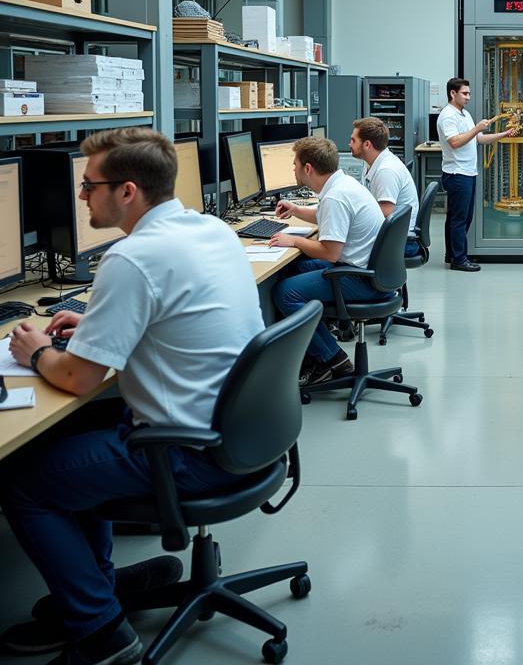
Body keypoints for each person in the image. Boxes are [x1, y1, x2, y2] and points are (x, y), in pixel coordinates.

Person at [0, 127, 264, 665]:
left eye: (88, 184)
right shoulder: (209, 228)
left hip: (189, 452)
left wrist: (34, 352)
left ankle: (101, 632)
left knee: (22, 483)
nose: (80, 196)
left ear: (126, 192)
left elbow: (77, 379)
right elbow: (166, 308)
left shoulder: (132, 258)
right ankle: (97, 585)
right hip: (242, 432)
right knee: (72, 431)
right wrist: (99, 319)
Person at [271, 136, 391, 385]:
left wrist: (293, 241)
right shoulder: (342, 184)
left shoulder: (335, 196)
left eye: (294, 163)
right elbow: (325, 215)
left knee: (284, 292)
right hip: (372, 271)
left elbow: (330, 253)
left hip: (361, 279)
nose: (292, 168)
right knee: (293, 269)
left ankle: (332, 359)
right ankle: (310, 354)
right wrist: (295, 210)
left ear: (307, 168)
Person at [436, 77, 516, 272]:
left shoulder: (464, 114)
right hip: (457, 174)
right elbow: (455, 142)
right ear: (452, 93)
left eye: (469, 93)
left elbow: (478, 139)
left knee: (459, 217)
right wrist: (476, 128)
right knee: (459, 219)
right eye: (464, 93)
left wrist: (503, 134)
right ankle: (459, 260)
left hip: (467, 172)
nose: (468, 97)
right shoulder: (448, 116)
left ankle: (452, 255)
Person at [348, 116, 420, 258]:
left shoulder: (386, 170)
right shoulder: (371, 163)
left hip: (400, 241)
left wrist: (350, 216)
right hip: (391, 234)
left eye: (353, 140)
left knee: (334, 247)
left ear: (367, 145)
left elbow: (386, 212)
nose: (349, 144)